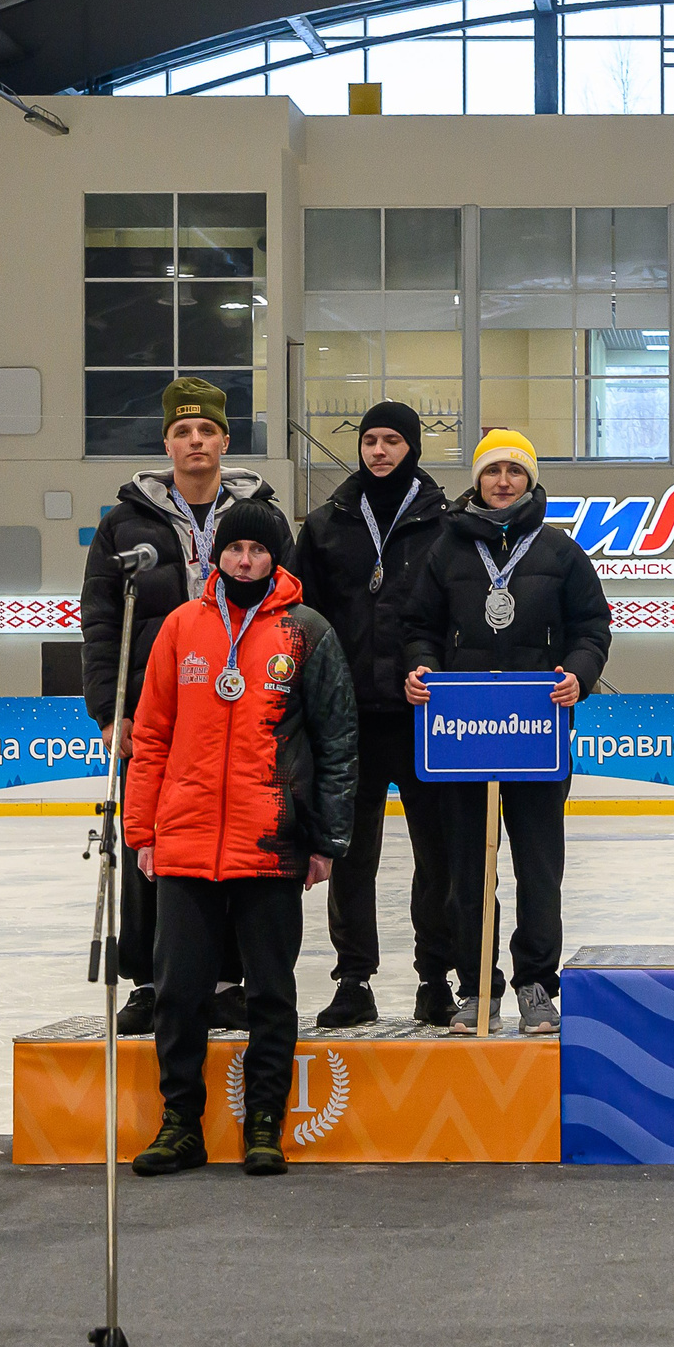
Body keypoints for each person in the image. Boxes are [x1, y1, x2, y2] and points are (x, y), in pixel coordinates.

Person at [124, 504, 358, 1179]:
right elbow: (150, 736)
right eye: (236, 548)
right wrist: (144, 830)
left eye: (258, 548)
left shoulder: (305, 631)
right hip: (187, 842)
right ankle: (180, 1124)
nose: (246, 559)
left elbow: (338, 742)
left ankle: (264, 1123)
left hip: (270, 841)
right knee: (178, 992)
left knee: (270, 992)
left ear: (275, 557)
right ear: (218, 556)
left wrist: (324, 839)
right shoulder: (180, 628)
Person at [81, 377, 288, 1037]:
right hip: (156, 713)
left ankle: (229, 979)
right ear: (166, 441)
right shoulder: (124, 523)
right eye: (182, 431)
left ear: (226, 440)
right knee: (149, 841)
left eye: (206, 431)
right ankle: (149, 978)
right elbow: (100, 620)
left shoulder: (261, 516)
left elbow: (294, 609)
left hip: (246, 712)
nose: (195, 441)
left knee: (232, 843)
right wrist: (110, 714)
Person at [402, 428, 613, 1038]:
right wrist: (422, 670)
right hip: (463, 734)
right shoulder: (445, 552)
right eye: (492, 471)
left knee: (540, 868)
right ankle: (476, 986)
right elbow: (418, 627)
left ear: (530, 480)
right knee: (469, 869)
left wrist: (578, 674)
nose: (502, 481)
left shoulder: (560, 552)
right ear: (476, 479)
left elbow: (592, 629)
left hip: (536, 733)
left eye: (514, 472)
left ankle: (537, 985)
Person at [290, 399, 455, 1029]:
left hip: (422, 718)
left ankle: (434, 978)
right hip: (349, 718)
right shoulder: (329, 521)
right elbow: (301, 613)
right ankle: (353, 980)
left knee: (435, 855)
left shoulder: (446, 521)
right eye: (370, 440)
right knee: (350, 857)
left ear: (412, 447)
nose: (378, 450)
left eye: (391, 440)